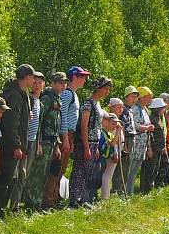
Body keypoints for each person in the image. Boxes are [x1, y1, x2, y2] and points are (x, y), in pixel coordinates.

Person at [0, 64, 34, 219]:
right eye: (32, 77)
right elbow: (11, 123)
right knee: (4, 179)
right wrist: (17, 145)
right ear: (26, 77)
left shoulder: (21, 93)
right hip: (9, 145)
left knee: (10, 179)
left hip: (12, 143)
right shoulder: (14, 95)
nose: (33, 80)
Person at [43, 66, 90, 207]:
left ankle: (55, 197)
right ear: (74, 77)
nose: (84, 79)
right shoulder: (68, 94)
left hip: (70, 135)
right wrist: (65, 139)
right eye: (82, 76)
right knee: (56, 168)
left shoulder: (73, 94)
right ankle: (48, 200)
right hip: (65, 134)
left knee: (62, 168)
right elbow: (61, 117)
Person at [23, 72, 66, 210]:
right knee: (37, 173)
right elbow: (39, 121)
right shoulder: (47, 98)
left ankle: (37, 201)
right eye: (60, 82)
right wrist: (39, 142)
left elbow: (57, 124)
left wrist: (57, 145)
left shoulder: (57, 98)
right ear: (53, 83)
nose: (63, 85)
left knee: (45, 173)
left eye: (65, 82)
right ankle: (31, 202)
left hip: (52, 142)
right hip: (44, 141)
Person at [69, 76, 111, 206]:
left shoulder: (97, 104)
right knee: (79, 171)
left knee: (87, 171)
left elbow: (97, 127)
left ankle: (82, 198)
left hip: (94, 142)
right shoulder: (88, 104)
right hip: (85, 143)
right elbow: (83, 126)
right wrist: (87, 147)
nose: (107, 92)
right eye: (106, 89)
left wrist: (96, 146)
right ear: (98, 88)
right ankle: (74, 200)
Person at [12, 71, 44, 211]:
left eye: (40, 83)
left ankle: (18, 201)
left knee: (26, 173)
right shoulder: (27, 98)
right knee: (19, 173)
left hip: (33, 141)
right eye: (34, 82)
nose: (36, 86)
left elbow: (39, 126)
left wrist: (39, 143)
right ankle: (14, 204)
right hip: (23, 141)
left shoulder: (40, 103)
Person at [126, 87, 154, 195]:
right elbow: (135, 126)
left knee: (135, 170)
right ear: (141, 97)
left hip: (143, 144)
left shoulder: (145, 109)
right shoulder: (135, 109)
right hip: (136, 142)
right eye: (148, 97)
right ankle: (125, 192)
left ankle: (130, 192)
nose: (150, 100)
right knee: (130, 169)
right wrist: (147, 128)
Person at [113, 87, 138, 194]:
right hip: (126, 139)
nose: (134, 99)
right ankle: (117, 190)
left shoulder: (130, 110)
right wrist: (123, 144)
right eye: (132, 97)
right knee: (122, 167)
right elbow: (122, 127)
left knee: (127, 166)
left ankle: (122, 190)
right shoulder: (124, 110)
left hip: (132, 138)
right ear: (126, 97)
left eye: (136, 97)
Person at [141, 96, 168, 194]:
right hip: (153, 149)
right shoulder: (151, 119)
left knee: (155, 169)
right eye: (162, 108)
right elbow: (148, 135)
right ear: (156, 109)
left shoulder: (159, 119)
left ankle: (150, 188)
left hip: (159, 149)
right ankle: (144, 190)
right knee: (149, 170)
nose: (164, 110)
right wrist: (149, 149)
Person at [100, 109, 124, 200]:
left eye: (116, 124)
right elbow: (113, 143)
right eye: (113, 124)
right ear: (106, 122)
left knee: (107, 176)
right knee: (105, 176)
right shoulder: (102, 132)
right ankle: (104, 197)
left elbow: (115, 142)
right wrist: (118, 131)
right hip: (100, 158)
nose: (115, 126)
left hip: (105, 158)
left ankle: (106, 196)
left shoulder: (109, 133)